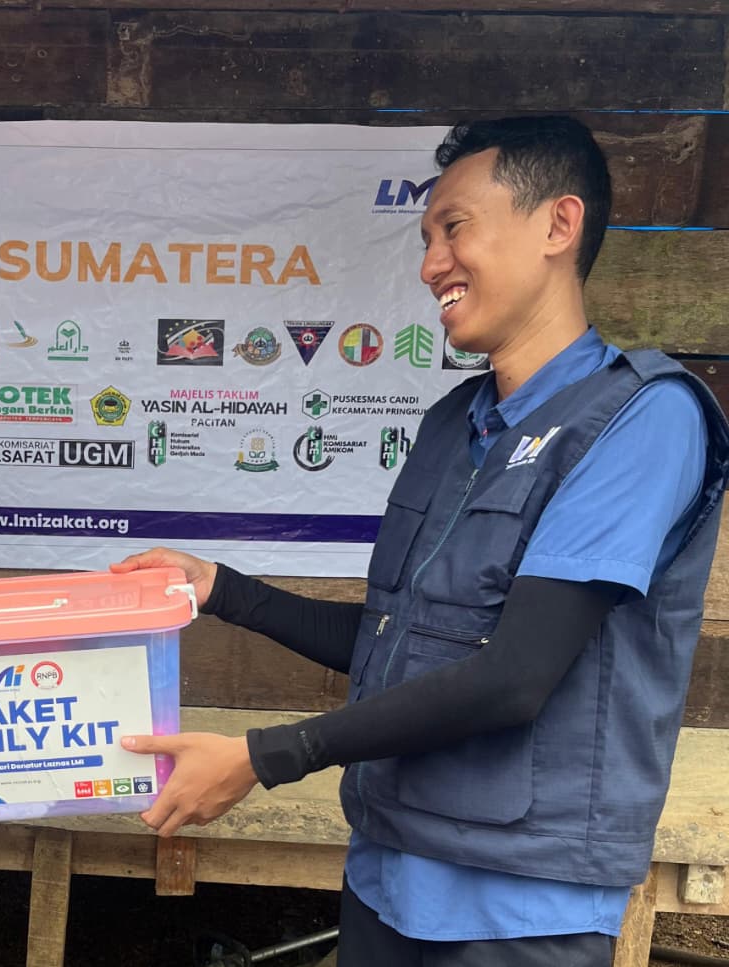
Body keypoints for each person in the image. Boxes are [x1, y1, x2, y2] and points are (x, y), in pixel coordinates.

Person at [115, 116, 729, 966]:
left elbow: (513, 678)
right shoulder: (455, 425)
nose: (431, 262)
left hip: (517, 905)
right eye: (427, 237)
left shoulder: (642, 417)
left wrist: (264, 755)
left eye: (455, 228)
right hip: (386, 871)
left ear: (558, 224)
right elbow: (393, 643)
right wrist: (222, 587)